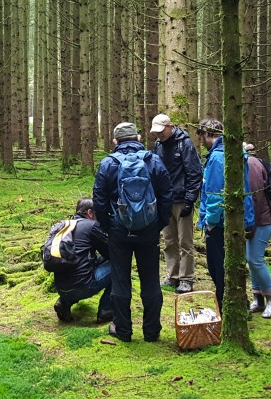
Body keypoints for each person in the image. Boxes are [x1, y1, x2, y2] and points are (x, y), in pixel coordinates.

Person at [92, 122, 174, 343]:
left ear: (115, 141)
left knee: (120, 281)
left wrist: (108, 227)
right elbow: (167, 195)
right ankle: (151, 331)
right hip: (148, 230)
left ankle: (123, 330)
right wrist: (158, 224)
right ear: (138, 138)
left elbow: (99, 201)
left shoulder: (108, 164)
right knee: (151, 280)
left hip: (119, 231)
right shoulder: (153, 161)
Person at [195, 118, 254, 305]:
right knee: (231, 264)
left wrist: (210, 222)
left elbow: (214, 193)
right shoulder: (231, 151)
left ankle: (226, 304)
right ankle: (237, 301)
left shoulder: (218, 157)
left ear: (206, 134)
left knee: (218, 267)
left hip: (221, 222)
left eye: (201, 137)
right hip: (235, 218)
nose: (201, 142)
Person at [149, 113, 203, 294]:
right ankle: (172, 276)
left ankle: (186, 278)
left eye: (161, 131)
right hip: (164, 201)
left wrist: (190, 199)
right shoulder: (157, 145)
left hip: (182, 200)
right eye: (156, 132)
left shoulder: (184, 143)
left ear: (170, 127)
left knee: (185, 242)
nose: (158, 135)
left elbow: (194, 172)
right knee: (169, 241)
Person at [51, 199, 114, 324]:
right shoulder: (91, 226)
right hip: (83, 286)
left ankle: (64, 301)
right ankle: (106, 310)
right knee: (120, 264)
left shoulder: (62, 226)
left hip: (60, 287)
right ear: (90, 213)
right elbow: (111, 253)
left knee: (77, 272)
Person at [245, 155, 271, 318]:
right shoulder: (245, 163)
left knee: (255, 260)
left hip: (262, 221)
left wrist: (251, 225)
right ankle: (258, 299)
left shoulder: (250, 165)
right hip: (253, 221)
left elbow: (255, 197)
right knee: (250, 259)